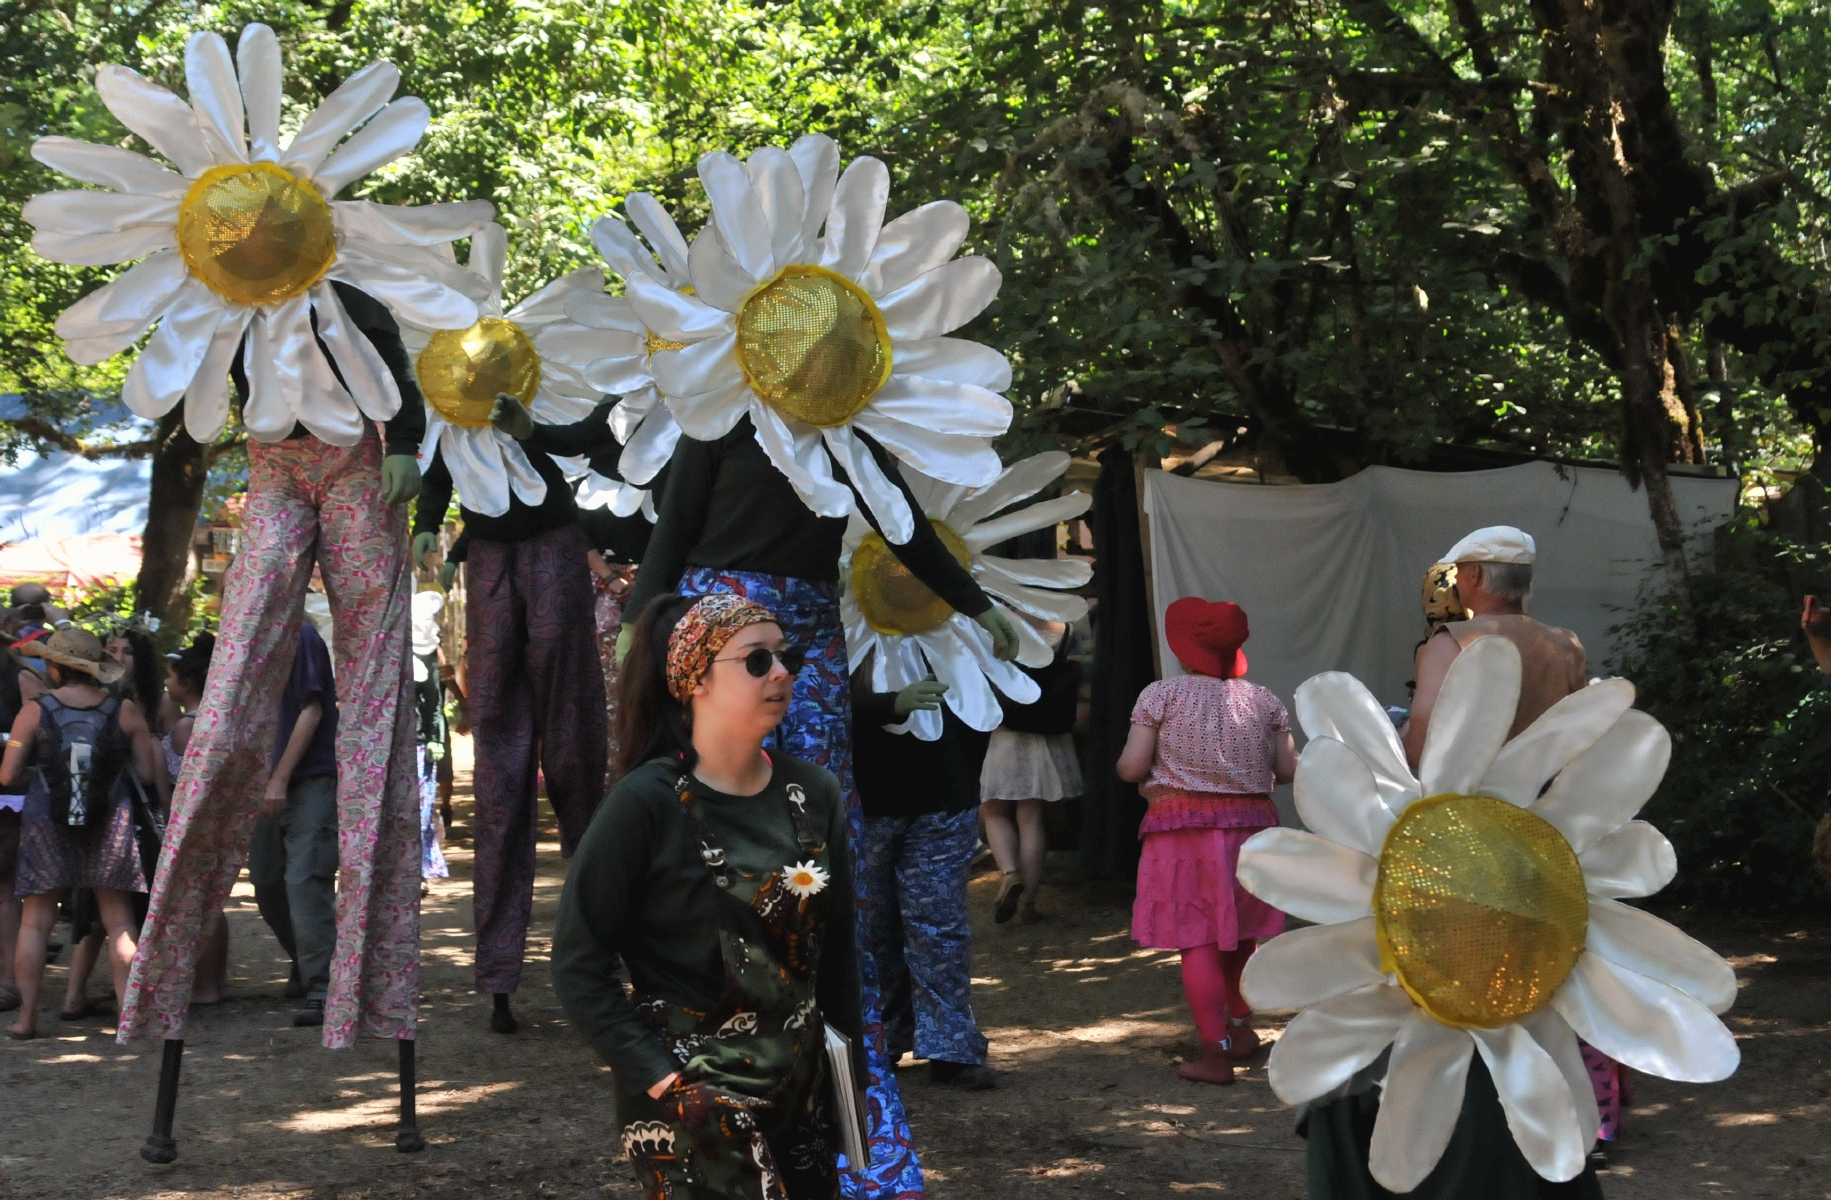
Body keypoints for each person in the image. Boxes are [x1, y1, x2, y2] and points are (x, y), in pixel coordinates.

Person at [1305, 524, 1607, 1196]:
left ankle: (1441, 1138)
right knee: (1536, 994)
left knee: (1450, 995)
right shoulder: (1565, 648)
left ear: (1471, 578)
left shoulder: (1451, 644)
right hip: (1542, 846)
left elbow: (1424, 756)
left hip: (1461, 849)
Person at [552, 593, 863, 1199]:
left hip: (801, 1096)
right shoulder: (646, 803)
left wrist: (849, 1082)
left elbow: (839, 957)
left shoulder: (813, 793)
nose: (780, 673)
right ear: (694, 678)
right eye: (755, 661)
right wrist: (664, 1081)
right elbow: (577, 963)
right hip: (694, 1104)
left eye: (786, 658)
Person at [412, 399, 609, 1037]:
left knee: (576, 762)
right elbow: (443, 464)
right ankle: (498, 977)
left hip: (552, 549)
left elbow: (584, 437)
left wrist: (528, 424)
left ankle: (601, 963)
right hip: (494, 560)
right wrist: (426, 520)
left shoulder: (539, 381)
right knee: (501, 777)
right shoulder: (447, 398)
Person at [1116, 598, 1294, 1085]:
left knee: (1196, 939)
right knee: (1240, 934)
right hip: (1252, 831)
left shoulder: (1160, 696)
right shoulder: (1264, 700)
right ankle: (1240, 1030)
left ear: (1183, 648)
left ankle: (1213, 1053)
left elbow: (1132, 767)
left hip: (1182, 832)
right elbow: (1288, 770)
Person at [2, 628, 160, 1039]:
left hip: (45, 824)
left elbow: (8, 774)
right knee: (119, 922)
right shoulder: (124, 710)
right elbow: (145, 773)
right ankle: (129, 1019)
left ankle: (28, 1018)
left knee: (35, 922)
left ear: (55, 666)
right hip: (110, 822)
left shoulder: (35, 711)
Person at [852, 670, 994, 1091]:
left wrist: (965, 772)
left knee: (940, 926)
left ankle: (951, 1047)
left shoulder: (959, 625)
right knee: (872, 926)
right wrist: (887, 705)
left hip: (943, 795)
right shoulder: (836, 623)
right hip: (863, 798)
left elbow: (984, 696)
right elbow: (816, 702)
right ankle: (882, 1041)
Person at [1403, 526, 1585, 762]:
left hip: (1476, 794)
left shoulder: (1449, 643)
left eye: (1458, 570)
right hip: (1548, 793)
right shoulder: (1567, 644)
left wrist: (1391, 740)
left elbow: (1422, 748)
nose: (1455, 579)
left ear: (1474, 574)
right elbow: (1580, 734)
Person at [245, 622, 341, 1027]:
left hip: (308, 780)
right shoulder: (247, 640)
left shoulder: (300, 635)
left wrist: (280, 778)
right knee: (267, 884)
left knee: (305, 884)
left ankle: (325, 988)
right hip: (264, 782)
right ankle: (306, 964)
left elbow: (312, 708)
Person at [979, 623, 1083, 923]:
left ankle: (1010, 874)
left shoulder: (999, 619)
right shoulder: (1065, 624)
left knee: (993, 812)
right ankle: (1028, 904)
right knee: (1031, 818)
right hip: (1044, 732)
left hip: (1003, 733)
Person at [410, 590, 450, 889]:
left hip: (420, 744)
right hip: (384, 746)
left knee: (420, 810)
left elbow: (433, 702)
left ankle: (419, 870)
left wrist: (437, 739)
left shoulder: (428, 657)